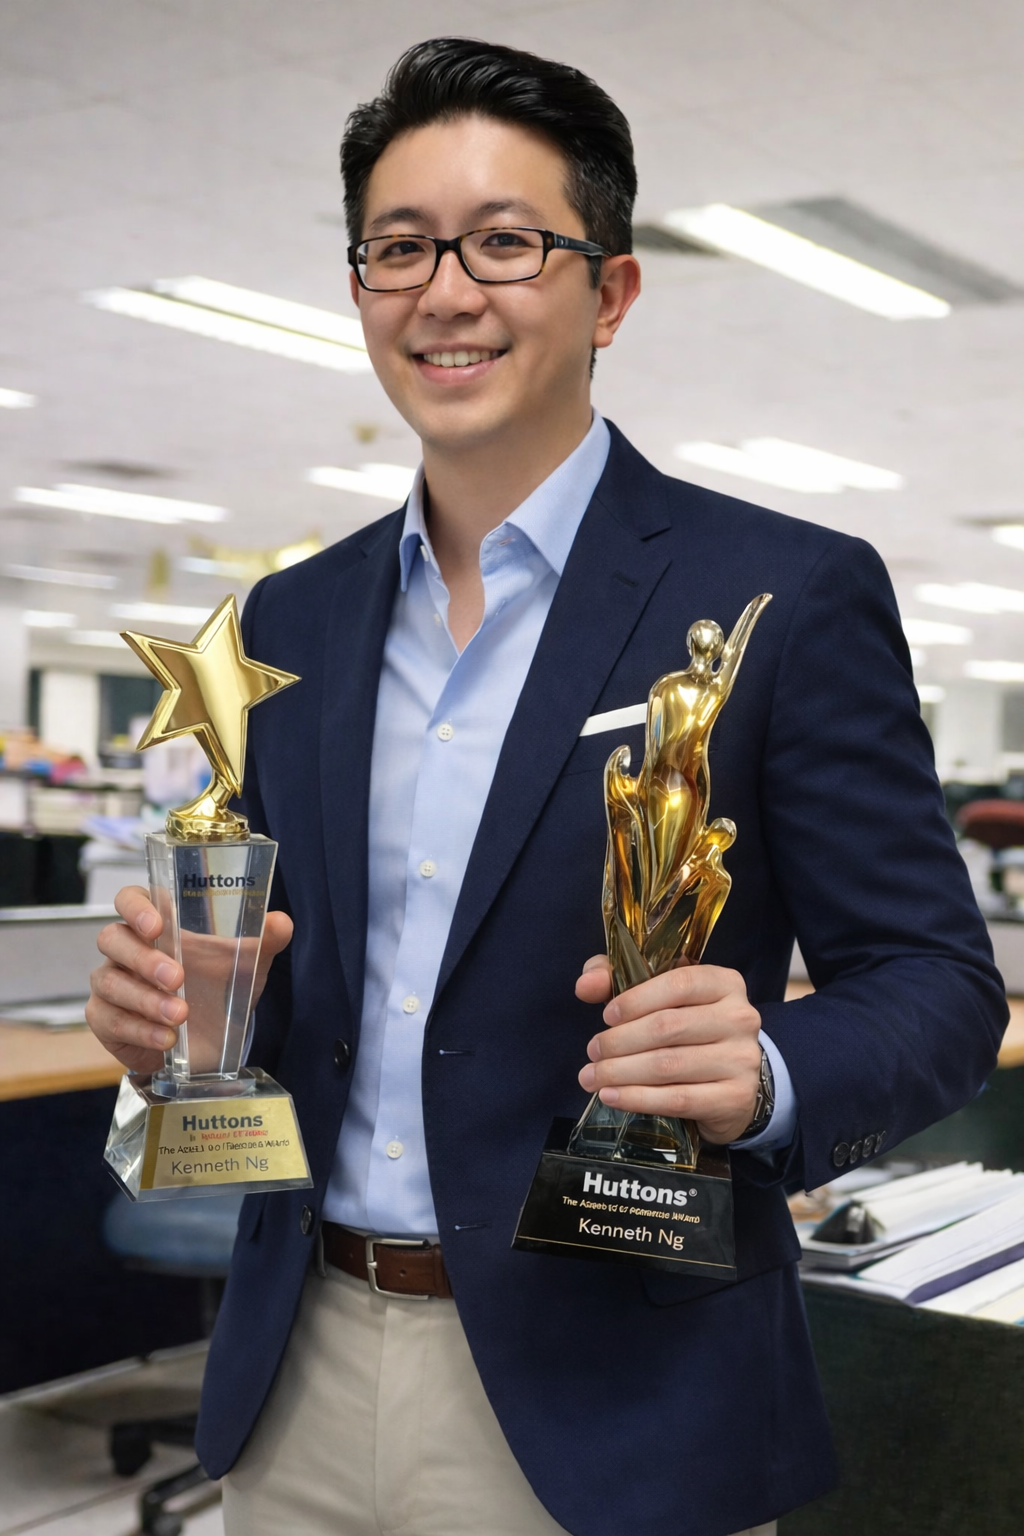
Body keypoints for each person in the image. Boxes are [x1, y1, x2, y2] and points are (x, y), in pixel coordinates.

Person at [85, 37, 1007, 1536]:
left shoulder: (780, 593)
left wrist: (765, 1073)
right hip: (292, 1380)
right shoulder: (284, 628)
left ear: (612, 290)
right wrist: (172, 1026)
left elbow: (934, 983)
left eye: (506, 243)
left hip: (618, 1403)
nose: (446, 290)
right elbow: (275, 1003)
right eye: (400, 249)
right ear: (361, 289)